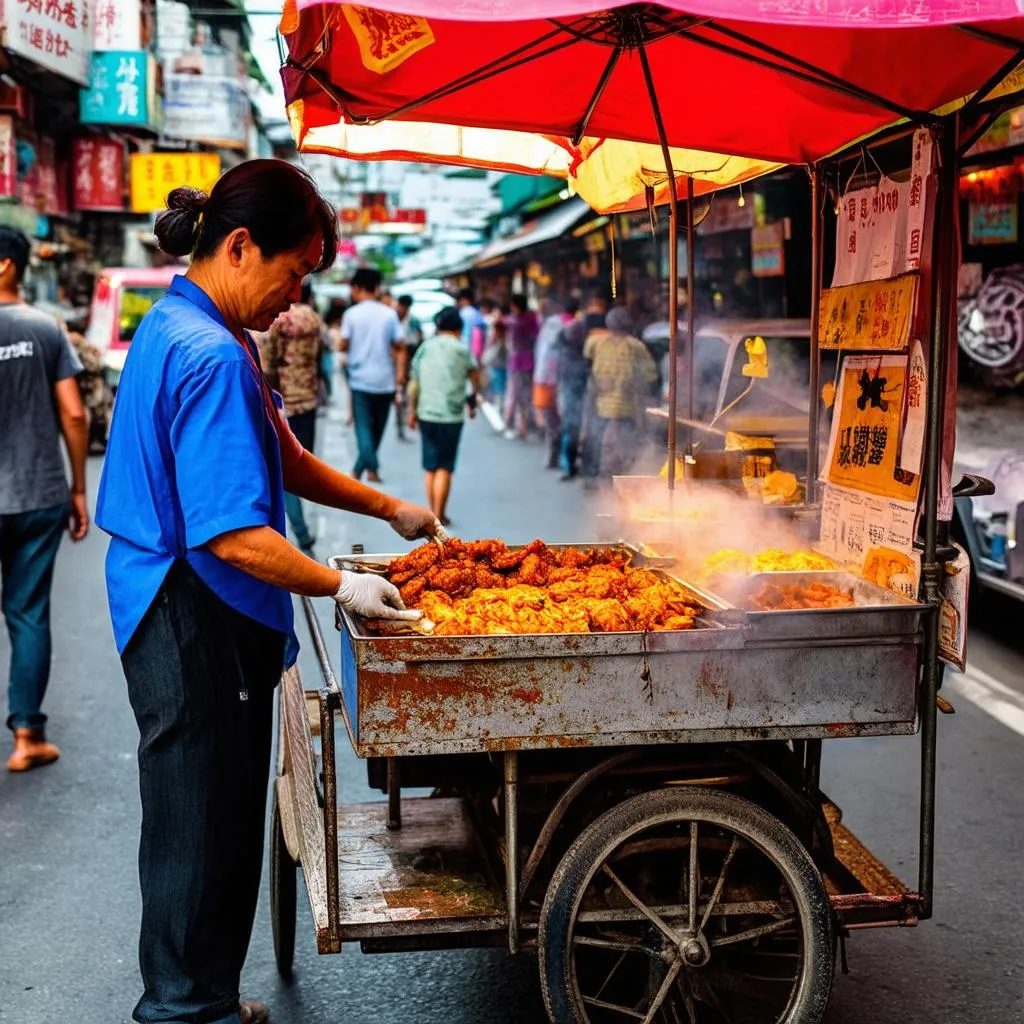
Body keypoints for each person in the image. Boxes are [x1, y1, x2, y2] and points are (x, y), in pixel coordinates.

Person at [94, 161, 441, 1024]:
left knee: (205, 809)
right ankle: (183, 1008)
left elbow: (281, 456)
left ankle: (198, 994)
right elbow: (233, 534)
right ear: (241, 245)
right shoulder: (211, 353)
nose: (293, 299)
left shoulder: (197, 327)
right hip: (189, 603)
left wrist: (385, 504)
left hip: (171, 596)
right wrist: (341, 585)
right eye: (292, 274)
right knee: (198, 819)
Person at [0, 226, 89, 772]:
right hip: (38, 493)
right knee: (28, 613)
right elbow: (75, 414)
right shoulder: (45, 329)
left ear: (6, 265)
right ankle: (28, 736)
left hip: (32, 494)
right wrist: (79, 487)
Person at [260, 277, 324, 553]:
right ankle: (298, 529)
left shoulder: (281, 320)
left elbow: (270, 361)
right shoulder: (313, 318)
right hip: (308, 398)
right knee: (299, 462)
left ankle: (299, 531)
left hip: (285, 401)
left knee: (285, 470)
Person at [407, 306, 481, 525]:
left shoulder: (425, 347)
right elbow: (474, 375)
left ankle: (433, 513)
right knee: (445, 466)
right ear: (458, 329)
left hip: (427, 413)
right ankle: (440, 513)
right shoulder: (461, 349)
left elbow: (415, 383)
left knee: (430, 466)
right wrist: (472, 397)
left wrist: (412, 411)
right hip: (451, 416)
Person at [581, 305, 659, 489]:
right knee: (626, 442)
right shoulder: (636, 346)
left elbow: (587, 363)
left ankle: (596, 477)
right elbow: (651, 375)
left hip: (601, 403)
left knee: (598, 440)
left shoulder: (595, 342)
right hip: (627, 406)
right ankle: (621, 477)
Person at [340, 267, 406, 482]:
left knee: (363, 429)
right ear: (377, 288)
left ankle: (365, 467)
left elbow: (343, 344)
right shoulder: (389, 315)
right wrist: (400, 377)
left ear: (357, 288)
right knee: (377, 429)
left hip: (360, 380)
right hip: (385, 380)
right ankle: (366, 470)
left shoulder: (351, 314)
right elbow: (400, 347)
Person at [557, 287, 609, 480]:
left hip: (594, 384)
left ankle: (590, 469)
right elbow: (565, 353)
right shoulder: (574, 329)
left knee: (594, 428)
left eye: (600, 309)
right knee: (573, 425)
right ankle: (570, 465)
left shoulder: (604, 330)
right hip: (575, 382)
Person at [533, 298, 576, 469]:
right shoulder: (561, 325)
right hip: (556, 379)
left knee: (554, 419)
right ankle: (559, 456)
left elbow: (546, 355)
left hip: (550, 379)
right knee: (560, 419)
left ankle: (556, 455)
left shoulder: (553, 326)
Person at [503, 293, 539, 439]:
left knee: (516, 395)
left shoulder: (515, 321)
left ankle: (519, 425)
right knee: (526, 395)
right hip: (530, 360)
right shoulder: (532, 319)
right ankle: (526, 425)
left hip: (517, 362)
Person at [393, 295, 424, 442]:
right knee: (399, 395)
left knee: (408, 394)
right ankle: (400, 425)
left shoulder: (414, 321)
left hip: (410, 362)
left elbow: (420, 340)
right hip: (396, 363)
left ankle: (405, 422)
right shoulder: (392, 320)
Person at [480, 298, 507, 406]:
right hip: (500, 358)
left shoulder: (498, 325)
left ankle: (499, 401)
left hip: (498, 357)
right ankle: (499, 400)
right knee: (499, 379)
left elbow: (491, 340)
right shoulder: (499, 324)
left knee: (497, 379)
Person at [457, 287, 487, 359]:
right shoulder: (477, 313)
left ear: (464, 299)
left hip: (465, 344)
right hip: (475, 347)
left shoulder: (463, 313)